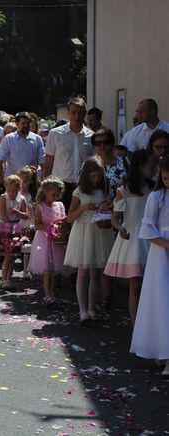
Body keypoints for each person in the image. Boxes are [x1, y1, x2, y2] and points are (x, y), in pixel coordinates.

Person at [104, 150, 154, 327]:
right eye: (151, 166)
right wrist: (120, 228)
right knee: (135, 286)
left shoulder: (154, 187)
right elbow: (115, 218)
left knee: (151, 285)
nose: (154, 169)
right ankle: (135, 325)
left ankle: (150, 322)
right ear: (140, 168)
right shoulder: (123, 191)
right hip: (133, 239)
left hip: (151, 237)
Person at [130, 156, 169, 378]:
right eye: (165, 178)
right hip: (161, 254)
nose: (168, 182)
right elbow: (147, 228)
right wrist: (166, 245)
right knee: (162, 300)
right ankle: (163, 352)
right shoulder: (157, 197)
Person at [64, 157, 115, 324]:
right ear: (87, 175)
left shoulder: (106, 190)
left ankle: (92, 308)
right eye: (93, 176)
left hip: (99, 231)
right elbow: (69, 218)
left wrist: (109, 207)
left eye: (99, 176)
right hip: (83, 232)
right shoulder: (79, 192)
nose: (96, 180)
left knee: (96, 272)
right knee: (83, 272)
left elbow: (114, 211)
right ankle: (82, 310)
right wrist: (84, 208)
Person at [43, 97, 94, 210]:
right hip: (60, 188)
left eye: (80, 113)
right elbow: (47, 162)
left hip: (83, 187)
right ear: (68, 113)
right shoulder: (55, 134)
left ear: (85, 113)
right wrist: (47, 187)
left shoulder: (91, 136)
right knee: (59, 222)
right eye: (74, 112)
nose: (77, 116)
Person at [29, 178, 67, 306]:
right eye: (53, 194)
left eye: (57, 195)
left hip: (56, 240)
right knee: (47, 269)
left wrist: (60, 227)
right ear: (45, 192)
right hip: (44, 240)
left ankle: (52, 293)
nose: (55, 197)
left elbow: (63, 220)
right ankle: (47, 294)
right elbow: (37, 224)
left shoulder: (60, 205)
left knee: (54, 270)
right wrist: (48, 228)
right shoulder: (40, 206)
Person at [0, 175, 29, 290]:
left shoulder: (22, 200)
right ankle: (3, 279)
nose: (11, 193)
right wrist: (8, 225)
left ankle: (8, 278)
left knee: (13, 256)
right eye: (9, 190)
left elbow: (26, 215)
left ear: (19, 189)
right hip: (5, 227)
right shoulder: (3, 198)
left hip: (16, 227)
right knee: (8, 255)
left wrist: (17, 212)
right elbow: (2, 214)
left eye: (14, 191)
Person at [0, 111, 45, 185]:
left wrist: (44, 178)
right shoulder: (8, 139)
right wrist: (0, 181)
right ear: (17, 124)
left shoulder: (37, 139)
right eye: (23, 123)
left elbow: (42, 161)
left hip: (30, 182)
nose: (26, 125)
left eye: (28, 123)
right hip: (12, 182)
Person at [92, 128, 128, 198]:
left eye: (106, 142)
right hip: (96, 207)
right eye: (98, 143)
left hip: (121, 206)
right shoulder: (88, 165)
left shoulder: (125, 161)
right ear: (94, 146)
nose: (102, 145)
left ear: (112, 143)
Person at [17, 166, 38, 278]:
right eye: (20, 181)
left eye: (24, 181)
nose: (22, 184)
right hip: (18, 222)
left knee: (27, 248)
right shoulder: (17, 193)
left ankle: (26, 269)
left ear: (30, 181)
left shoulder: (31, 195)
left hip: (29, 223)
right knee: (17, 246)